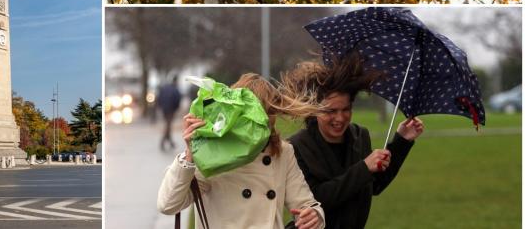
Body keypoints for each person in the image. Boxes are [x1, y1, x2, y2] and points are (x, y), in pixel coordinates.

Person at [157, 74, 326, 229]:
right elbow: (168, 204)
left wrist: (314, 216)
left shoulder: (282, 152)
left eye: (265, 115)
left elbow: (306, 204)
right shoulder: (213, 154)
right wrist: (189, 154)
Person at [286, 52, 425, 229]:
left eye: (346, 109)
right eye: (331, 111)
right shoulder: (297, 146)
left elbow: (374, 185)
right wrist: (364, 167)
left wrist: (402, 141)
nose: (340, 118)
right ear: (315, 110)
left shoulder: (360, 136)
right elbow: (315, 199)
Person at [157, 76, 182, 151]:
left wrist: (160, 106)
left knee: (168, 124)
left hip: (164, 109)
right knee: (168, 125)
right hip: (171, 110)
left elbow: (159, 97)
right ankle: (163, 142)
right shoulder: (175, 89)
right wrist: (176, 109)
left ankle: (170, 142)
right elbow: (177, 100)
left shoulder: (165, 88)